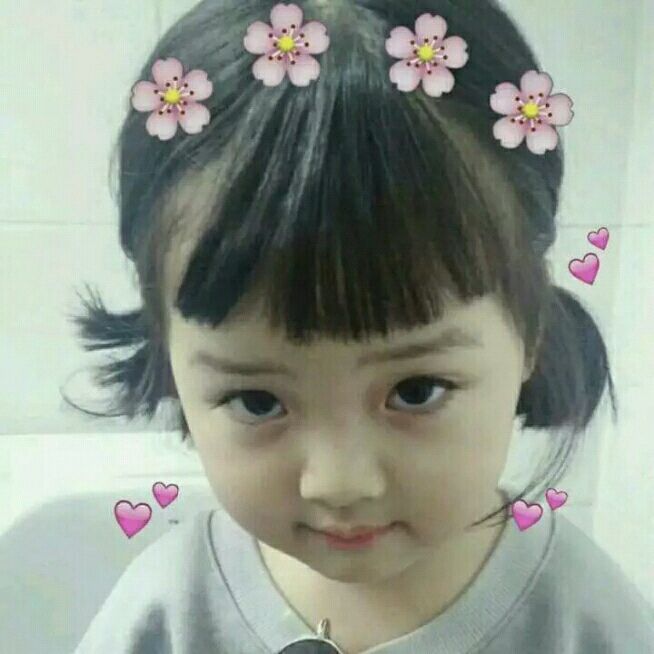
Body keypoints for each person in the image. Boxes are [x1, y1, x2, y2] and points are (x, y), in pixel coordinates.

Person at [67, 0, 654, 652]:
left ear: (531, 333)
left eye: (416, 391)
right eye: (257, 401)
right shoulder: (165, 613)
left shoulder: (586, 621)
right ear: (171, 360)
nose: (339, 483)